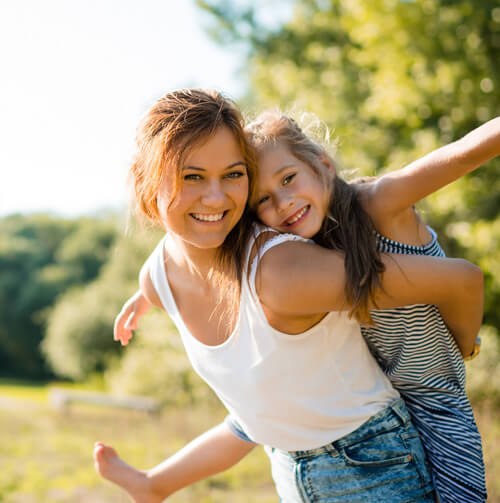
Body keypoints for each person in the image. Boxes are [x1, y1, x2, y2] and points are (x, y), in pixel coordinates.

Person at [94, 88, 485, 503]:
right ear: (146, 182)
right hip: (287, 460)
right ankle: (156, 485)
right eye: (192, 176)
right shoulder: (158, 272)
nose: (215, 197)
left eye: (232, 174)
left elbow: (459, 278)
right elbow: (159, 272)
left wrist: (463, 346)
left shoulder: (284, 272)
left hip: (373, 462)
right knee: (251, 412)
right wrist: (142, 298)